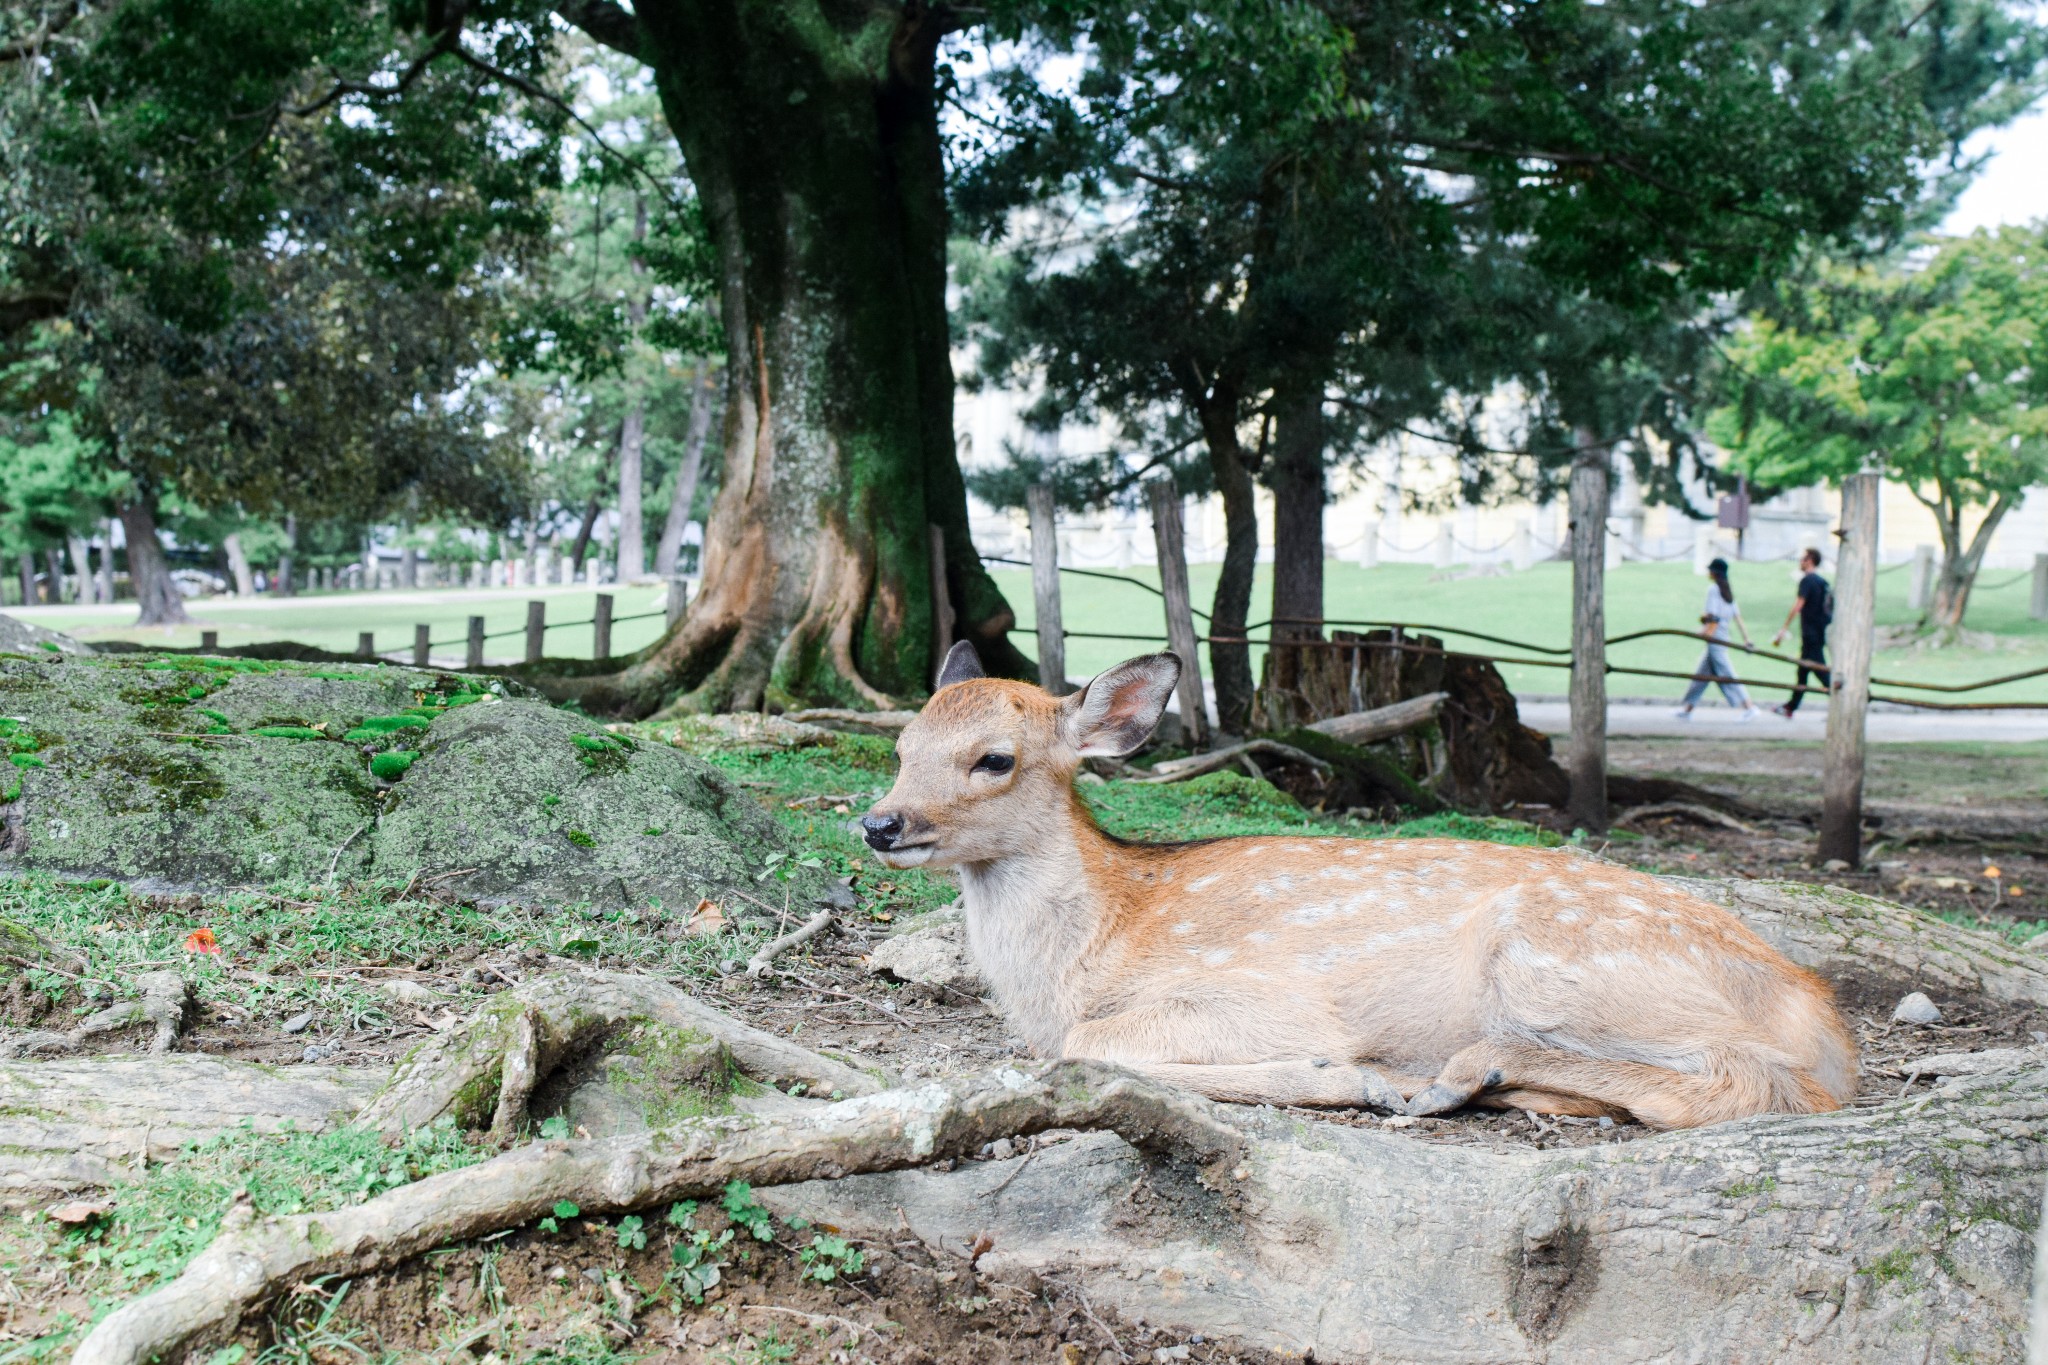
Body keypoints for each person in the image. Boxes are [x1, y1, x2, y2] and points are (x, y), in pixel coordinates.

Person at [1673, 557, 1762, 721]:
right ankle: (1688, 709)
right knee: (1701, 676)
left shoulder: (1713, 590)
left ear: (1715, 573)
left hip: (1716, 640)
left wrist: (1706, 632)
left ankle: (1749, 707)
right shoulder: (1727, 592)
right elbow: (1737, 618)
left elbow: (1714, 618)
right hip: (1721, 637)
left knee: (1728, 674)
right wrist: (1746, 638)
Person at [1770, 547, 1832, 717]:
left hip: (1810, 634)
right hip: (1819, 632)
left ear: (1810, 560)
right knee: (1802, 671)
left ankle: (1840, 705)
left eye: (1803, 559)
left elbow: (1798, 606)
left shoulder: (1807, 581)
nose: (1800, 562)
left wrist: (1784, 629)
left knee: (1822, 673)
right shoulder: (1823, 582)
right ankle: (1791, 707)